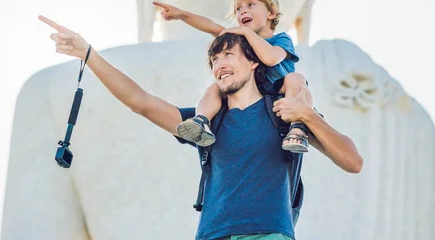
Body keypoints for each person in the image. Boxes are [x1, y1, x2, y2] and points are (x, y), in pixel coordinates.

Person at [38, 14, 362, 240]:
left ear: (253, 62)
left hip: (268, 234)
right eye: (214, 60)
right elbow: (141, 101)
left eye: (228, 54)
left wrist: (307, 116)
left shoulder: (286, 112)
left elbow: (352, 161)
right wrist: (88, 53)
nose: (220, 63)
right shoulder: (206, 122)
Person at [154, 0, 313, 153]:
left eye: (250, 5)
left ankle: (298, 127)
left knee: (295, 79)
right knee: (215, 87)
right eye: (238, 9)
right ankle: (201, 120)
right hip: (255, 97)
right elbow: (212, 27)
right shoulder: (241, 40)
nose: (242, 11)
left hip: (281, 92)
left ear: (271, 13)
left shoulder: (281, 39)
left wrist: (245, 31)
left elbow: (271, 58)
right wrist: (182, 15)